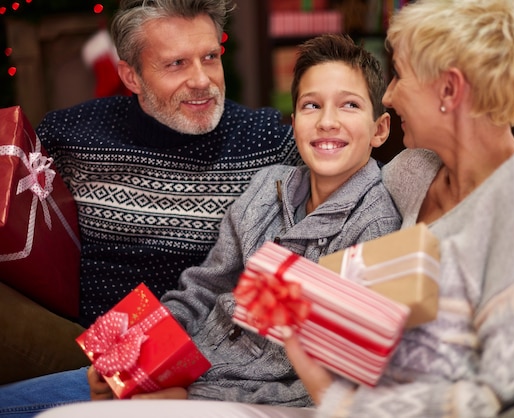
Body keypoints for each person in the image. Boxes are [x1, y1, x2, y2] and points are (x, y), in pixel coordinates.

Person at [0, 33, 401, 417]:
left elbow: (326, 380)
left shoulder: (375, 224)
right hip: (186, 367)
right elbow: (203, 288)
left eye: (349, 105)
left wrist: (188, 396)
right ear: (294, 122)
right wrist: (131, 356)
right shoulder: (269, 184)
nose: (328, 121)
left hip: (238, 396)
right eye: (313, 106)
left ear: (380, 129)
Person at [278, 1, 514, 417]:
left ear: (449, 90)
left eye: (399, 74)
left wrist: (341, 402)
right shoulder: (411, 172)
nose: (390, 96)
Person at [0, 0, 302, 384]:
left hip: (193, 358)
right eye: (176, 64)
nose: (201, 80)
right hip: (83, 344)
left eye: (210, 57)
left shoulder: (267, 142)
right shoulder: (71, 134)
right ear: (131, 76)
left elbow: (351, 184)